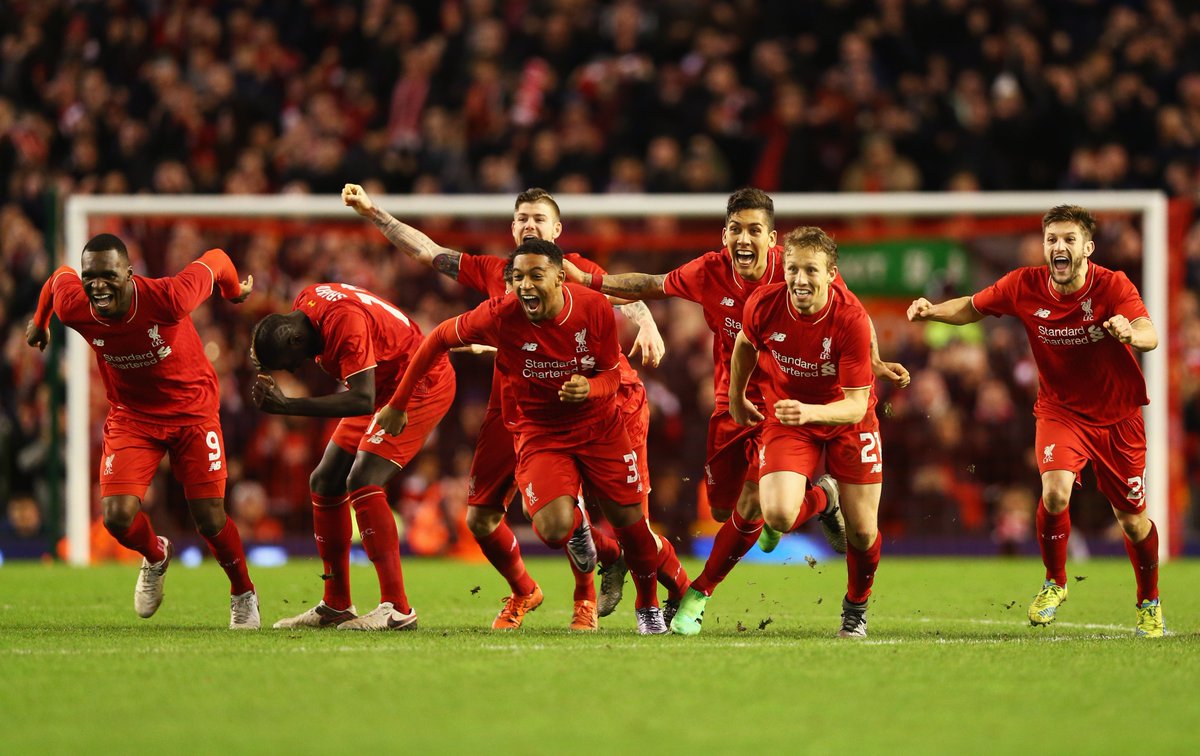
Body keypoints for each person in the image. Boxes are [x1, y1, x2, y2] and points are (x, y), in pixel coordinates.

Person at [343, 183, 688, 631]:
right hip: (522, 408)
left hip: (603, 402)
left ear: (558, 230)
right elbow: (430, 253)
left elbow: (622, 293)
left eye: (539, 219)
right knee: (485, 517)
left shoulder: (575, 271)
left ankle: (609, 597)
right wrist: (374, 213)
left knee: (628, 521)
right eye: (522, 218)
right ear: (511, 228)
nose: (529, 225)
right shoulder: (495, 274)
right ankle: (535, 585)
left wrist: (647, 325)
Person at [563, 187, 907, 635]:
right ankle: (822, 498)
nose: (744, 239)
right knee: (728, 510)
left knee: (761, 507)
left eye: (754, 230)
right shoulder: (711, 272)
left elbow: (853, 314)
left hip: (793, 400)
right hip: (735, 397)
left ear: (772, 238)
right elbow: (651, 284)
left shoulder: (799, 267)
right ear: (724, 235)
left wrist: (874, 363)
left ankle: (701, 592)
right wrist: (588, 281)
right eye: (735, 230)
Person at [907, 204, 1164, 637]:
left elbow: (1149, 332)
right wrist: (932, 311)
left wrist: (1130, 333)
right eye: (1051, 239)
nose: (1058, 247)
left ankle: (1149, 602)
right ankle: (1055, 582)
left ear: (1088, 247)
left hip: (1118, 417)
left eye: (1068, 239)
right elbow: (972, 307)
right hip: (1060, 410)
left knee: (1133, 521)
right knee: (1055, 493)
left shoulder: (1112, 286)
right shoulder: (1024, 285)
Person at [25, 233, 260, 629]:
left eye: (107, 275)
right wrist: (39, 321)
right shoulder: (75, 305)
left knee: (209, 519)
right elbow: (57, 280)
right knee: (116, 517)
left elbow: (216, 257)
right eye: (90, 277)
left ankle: (243, 592)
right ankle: (156, 555)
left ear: (129, 274)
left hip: (193, 413)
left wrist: (233, 289)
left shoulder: (169, 297)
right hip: (133, 415)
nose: (97, 285)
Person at [249, 282, 456, 631]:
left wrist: (290, 406)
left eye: (289, 363)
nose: (296, 370)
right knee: (325, 479)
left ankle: (397, 608)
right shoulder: (306, 300)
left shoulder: (344, 325)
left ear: (295, 340)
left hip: (418, 385)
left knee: (363, 478)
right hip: (382, 382)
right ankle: (336, 604)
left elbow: (361, 398)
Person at [729, 227, 884, 637]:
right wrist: (736, 396)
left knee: (864, 531)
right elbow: (746, 343)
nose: (800, 279)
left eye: (811, 270)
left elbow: (853, 405)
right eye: (793, 269)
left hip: (848, 420)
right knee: (777, 514)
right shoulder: (763, 304)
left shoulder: (851, 319)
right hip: (789, 417)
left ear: (831, 273)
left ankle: (855, 607)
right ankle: (824, 496)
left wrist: (811, 411)